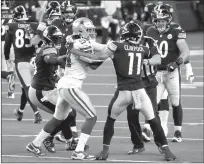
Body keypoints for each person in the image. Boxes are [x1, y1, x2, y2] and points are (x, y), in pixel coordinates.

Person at [70, 21, 177, 161]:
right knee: (153, 120)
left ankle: (105, 150)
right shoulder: (143, 48)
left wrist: (74, 50)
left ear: (124, 34)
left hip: (124, 92)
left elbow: (96, 57)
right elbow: (154, 56)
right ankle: (167, 150)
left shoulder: (117, 45)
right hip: (140, 91)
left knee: (110, 119)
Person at [26, 17, 105, 160]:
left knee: (60, 117)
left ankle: (35, 144)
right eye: (89, 30)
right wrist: (111, 53)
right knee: (91, 117)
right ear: (80, 31)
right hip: (68, 86)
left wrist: (110, 47)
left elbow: (95, 49)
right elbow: (93, 63)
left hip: (62, 84)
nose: (92, 32)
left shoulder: (75, 41)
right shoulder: (76, 44)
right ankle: (78, 150)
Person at [27, 25, 87, 154]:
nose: (59, 41)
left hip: (45, 88)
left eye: (60, 38)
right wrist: (65, 58)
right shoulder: (49, 49)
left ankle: (69, 141)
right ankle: (43, 140)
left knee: (68, 113)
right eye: (56, 38)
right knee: (65, 115)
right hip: (40, 91)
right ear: (50, 38)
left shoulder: (49, 47)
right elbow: (50, 59)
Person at [147, 7, 190, 142]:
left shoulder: (176, 31)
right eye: (157, 21)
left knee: (175, 101)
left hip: (172, 73)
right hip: (156, 72)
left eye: (163, 21)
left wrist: (176, 63)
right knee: (153, 103)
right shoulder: (150, 31)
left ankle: (178, 131)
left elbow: (185, 51)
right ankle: (150, 129)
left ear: (168, 20)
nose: (160, 23)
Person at [4, 5, 42, 123]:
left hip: (21, 62)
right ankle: (20, 111)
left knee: (27, 88)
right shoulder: (34, 25)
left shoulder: (11, 26)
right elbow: (40, 41)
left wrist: (6, 57)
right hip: (34, 61)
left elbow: (7, 44)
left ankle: (36, 114)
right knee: (24, 88)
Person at [1, 0, 16, 98]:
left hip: (1, 43)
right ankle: (11, 93)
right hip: (11, 45)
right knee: (10, 69)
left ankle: (7, 77)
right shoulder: (13, 18)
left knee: (3, 70)